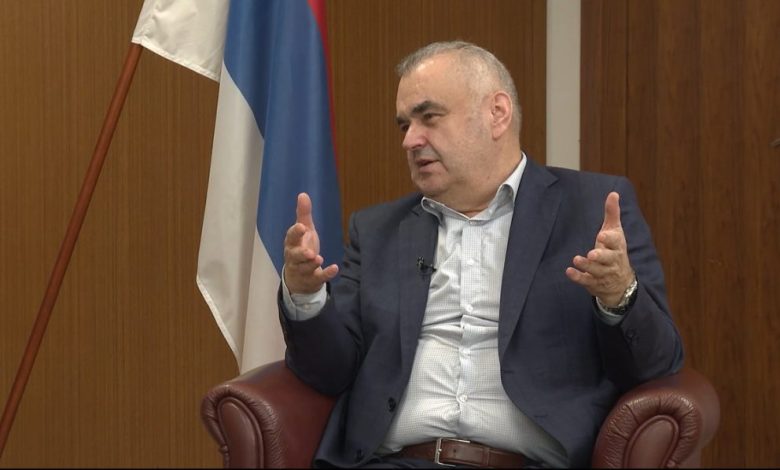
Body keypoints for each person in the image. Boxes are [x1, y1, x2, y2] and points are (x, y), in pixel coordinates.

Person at [279, 40, 683, 468]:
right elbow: (329, 372)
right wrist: (305, 295)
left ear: (497, 113)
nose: (411, 140)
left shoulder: (592, 211)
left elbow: (656, 364)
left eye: (429, 117)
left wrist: (619, 296)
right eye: (404, 126)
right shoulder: (378, 230)